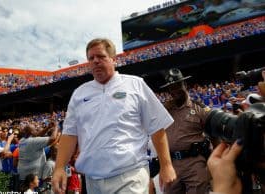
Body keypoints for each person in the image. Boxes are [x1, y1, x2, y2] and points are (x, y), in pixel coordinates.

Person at [52, 38, 176, 194]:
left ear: (113, 59)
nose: (95, 61)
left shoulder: (135, 85)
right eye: (91, 58)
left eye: (101, 56)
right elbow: (69, 134)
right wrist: (59, 168)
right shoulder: (79, 94)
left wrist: (166, 165)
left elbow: (157, 127)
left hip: (130, 175)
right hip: (92, 181)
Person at [160, 68, 211, 194]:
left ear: (185, 85)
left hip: (194, 163)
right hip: (172, 164)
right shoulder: (163, 110)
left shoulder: (199, 108)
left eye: (178, 85)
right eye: (171, 87)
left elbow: (213, 135)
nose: (174, 90)